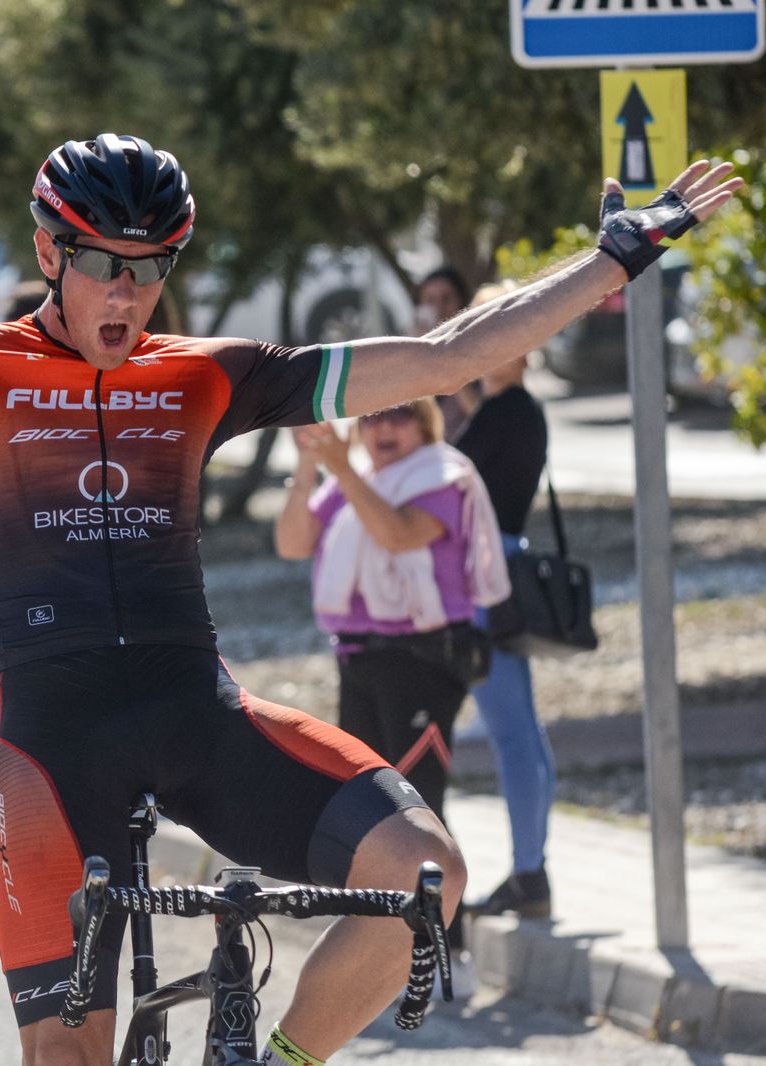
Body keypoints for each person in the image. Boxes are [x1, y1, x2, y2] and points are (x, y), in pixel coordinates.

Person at [0, 135, 740, 1066]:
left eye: (151, 270)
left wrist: (614, 256)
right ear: (49, 251)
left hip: (195, 709)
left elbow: (455, 351)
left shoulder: (208, 374)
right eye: (104, 265)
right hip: (51, 744)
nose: (128, 293)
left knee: (425, 871)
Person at [273, 396, 509, 997]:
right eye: (373, 416)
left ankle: (447, 958)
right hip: (360, 660)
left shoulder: (440, 474)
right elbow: (293, 543)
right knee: (371, 814)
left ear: (425, 423)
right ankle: (387, 959)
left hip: (422, 663)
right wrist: (308, 466)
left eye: (399, 415)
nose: (383, 427)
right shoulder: (361, 481)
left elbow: (401, 536)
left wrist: (344, 471)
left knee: (420, 809)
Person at [451, 280, 557, 920]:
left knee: (514, 737)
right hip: (504, 574)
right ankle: (531, 870)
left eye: (500, 334)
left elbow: (450, 482)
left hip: (488, 583)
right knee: (524, 735)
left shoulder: (503, 413)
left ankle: (528, 873)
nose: (487, 345)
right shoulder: (516, 411)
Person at [412, 267, 480, 438]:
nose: (438, 308)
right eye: (430, 300)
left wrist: (443, 356)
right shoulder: (412, 354)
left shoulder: (479, 349)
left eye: (446, 299)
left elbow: (479, 414)